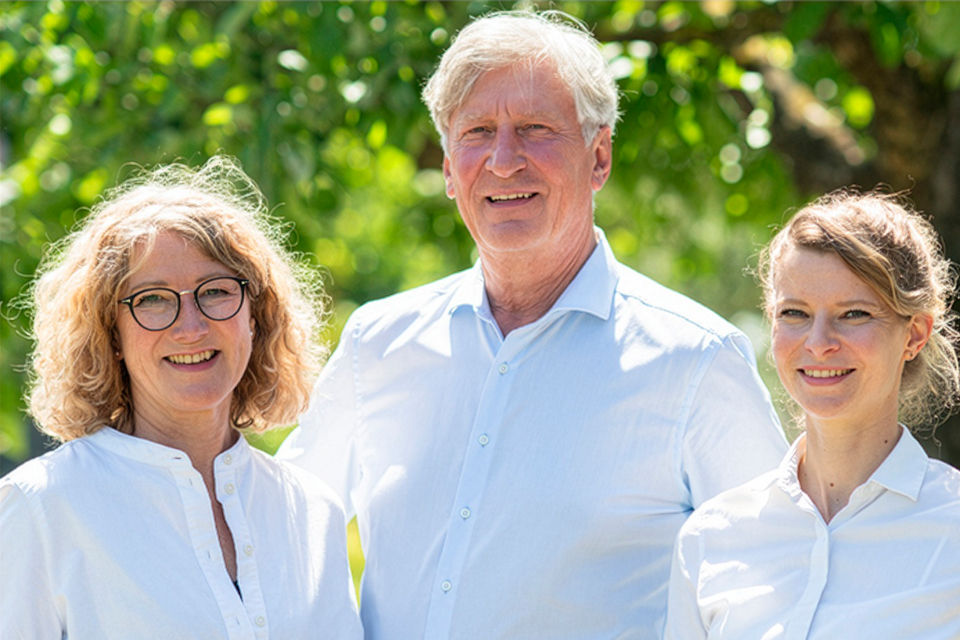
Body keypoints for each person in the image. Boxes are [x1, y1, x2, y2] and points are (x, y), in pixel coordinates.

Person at [279, 10, 786, 639]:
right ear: (446, 166)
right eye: (478, 131)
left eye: (535, 129)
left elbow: (772, 587)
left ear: (598, 157)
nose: (503, 159)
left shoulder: (697, 361)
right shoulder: (377, 343)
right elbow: (283, 538)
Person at [0, 156, 362, 639]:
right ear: (110, 335)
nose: (190, 327)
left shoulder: (312, 509)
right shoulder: (42, 507)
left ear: (255, 316)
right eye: (152, 299)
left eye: (215, 291)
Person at [665, 190, 960, 638]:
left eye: (854, 313)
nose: (819, 341)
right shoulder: (710, 538)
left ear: (914, 334)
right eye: (795, 313)